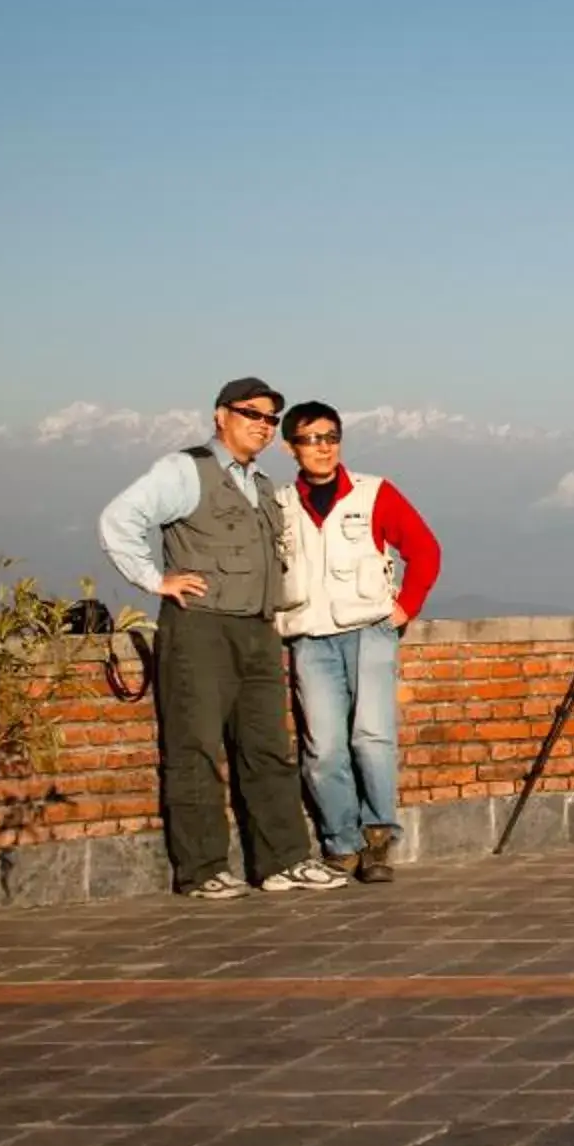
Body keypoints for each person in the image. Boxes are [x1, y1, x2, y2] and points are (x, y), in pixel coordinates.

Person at [98, 378, 350, 899]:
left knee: (268, 748)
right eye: (251, 413)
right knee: (194, 747)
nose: (262, 424)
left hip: (256, 628)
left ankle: (283, 861)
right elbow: (120, 519)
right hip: (200, 626)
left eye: (271, 418)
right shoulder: (185, 470)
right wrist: (154, 580)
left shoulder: (260, 484)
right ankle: (201, 869)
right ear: (221, 416)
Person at [274, 402, 442, 884]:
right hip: (309, 635)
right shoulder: (279, 503)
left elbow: (424, 550)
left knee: (371, 738)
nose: (323, 447)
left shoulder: (375, 493)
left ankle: (377, 839)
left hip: (370, 629)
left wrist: (406, 607)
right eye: (311, 439)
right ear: (291, 448)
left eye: (331, 437)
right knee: (323, 747)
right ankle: (340, 842)